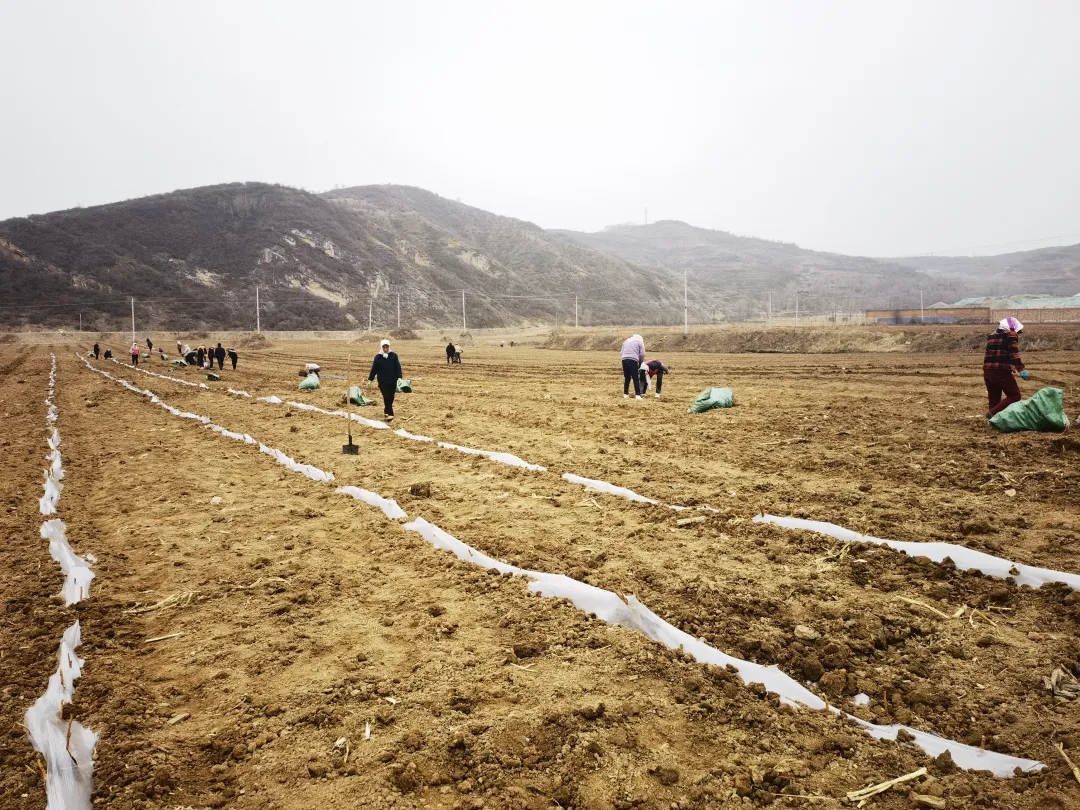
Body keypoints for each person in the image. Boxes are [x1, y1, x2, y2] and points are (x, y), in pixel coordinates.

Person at [984, 316, 1029, 418]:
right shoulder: (1011, 335)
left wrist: (1010, 365)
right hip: (1001, 372)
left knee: (994, 399)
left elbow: (996, 353)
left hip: (987, 371)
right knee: (1015, 395)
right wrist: (1021, 369)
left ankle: (993, 421)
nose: (1017, 333)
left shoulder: (991, 335)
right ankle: (992, 414)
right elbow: (1014, 354)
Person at [368, 338, 403, 422]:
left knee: (391, 397)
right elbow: (374, 369)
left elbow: (398, 367)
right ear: (381, 348)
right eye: (384, 347)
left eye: (387, 347)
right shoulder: (377, 357)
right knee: (386, 396)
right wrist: (370, 379)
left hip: (392, 380)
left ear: (389, 347)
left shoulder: (394, 356)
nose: (385, 349)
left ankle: (386, 410)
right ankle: (390, 414)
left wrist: (399, 377)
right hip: (382, 381)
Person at [620, 334, 646, 399]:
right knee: (635, 378)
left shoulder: (625, 342)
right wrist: (640, 362)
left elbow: (621, 352)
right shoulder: (639, 342)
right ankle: (637, 395)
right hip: (633, 361)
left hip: (624, 360)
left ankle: (625, 394)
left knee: (627, 378)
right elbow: (642, 354)